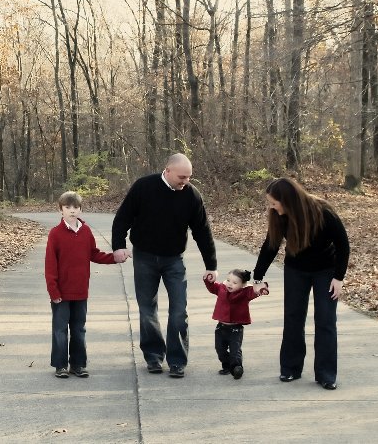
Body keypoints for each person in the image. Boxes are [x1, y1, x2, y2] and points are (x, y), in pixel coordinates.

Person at [112, 153, 218, 378]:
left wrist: (211, 264)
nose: (186, 181)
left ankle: (177, 361)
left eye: (189, 177)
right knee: (147, 309)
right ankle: (153, 357)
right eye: (182, 177)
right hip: (144, 258)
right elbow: (122, 218)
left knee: (179, 311)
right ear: (167, 171)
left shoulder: (192, 195)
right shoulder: (143, 187)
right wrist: (119, 246)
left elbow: (202, 231)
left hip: (174, 260)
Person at [252, 177, 350, 390]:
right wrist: (257, 278)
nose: (271, 207)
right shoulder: (279, 216)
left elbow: (343, 244)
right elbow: (270, 245)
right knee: (293, 317)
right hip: (296, 270)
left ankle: (326, 374)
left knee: (325, 320)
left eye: (274, 203)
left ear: (287, 200)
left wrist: (339, 278)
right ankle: (290, 368)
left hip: (326, 271)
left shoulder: (322, 211)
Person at [45, 191, 129, 378]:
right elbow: (50, 265)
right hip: (61, 293)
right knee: (60, 330)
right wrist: (53, 289)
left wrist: (114, 258)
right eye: (67, 207)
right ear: (61, 210)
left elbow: (94, 254)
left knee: (78, 329)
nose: (72, 211)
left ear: (81, 209)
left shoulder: (86, 232)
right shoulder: (55, 234)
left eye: (76, 207)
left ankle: (78, 364)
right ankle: (60, 365)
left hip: (80, 291)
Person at [204, 269, 269, 379]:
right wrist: (208, 280)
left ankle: (237, 368)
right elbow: (212, 287)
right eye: (228, 280)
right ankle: (227, 366)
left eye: (235, 283)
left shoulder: (245, 292)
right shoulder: (221, 288)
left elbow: (255, 291)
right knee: (220, 349)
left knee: (235, 350)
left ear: (242, 284)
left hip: (236, 329)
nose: (230, 284)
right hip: (221, 327)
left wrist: (262, 289)